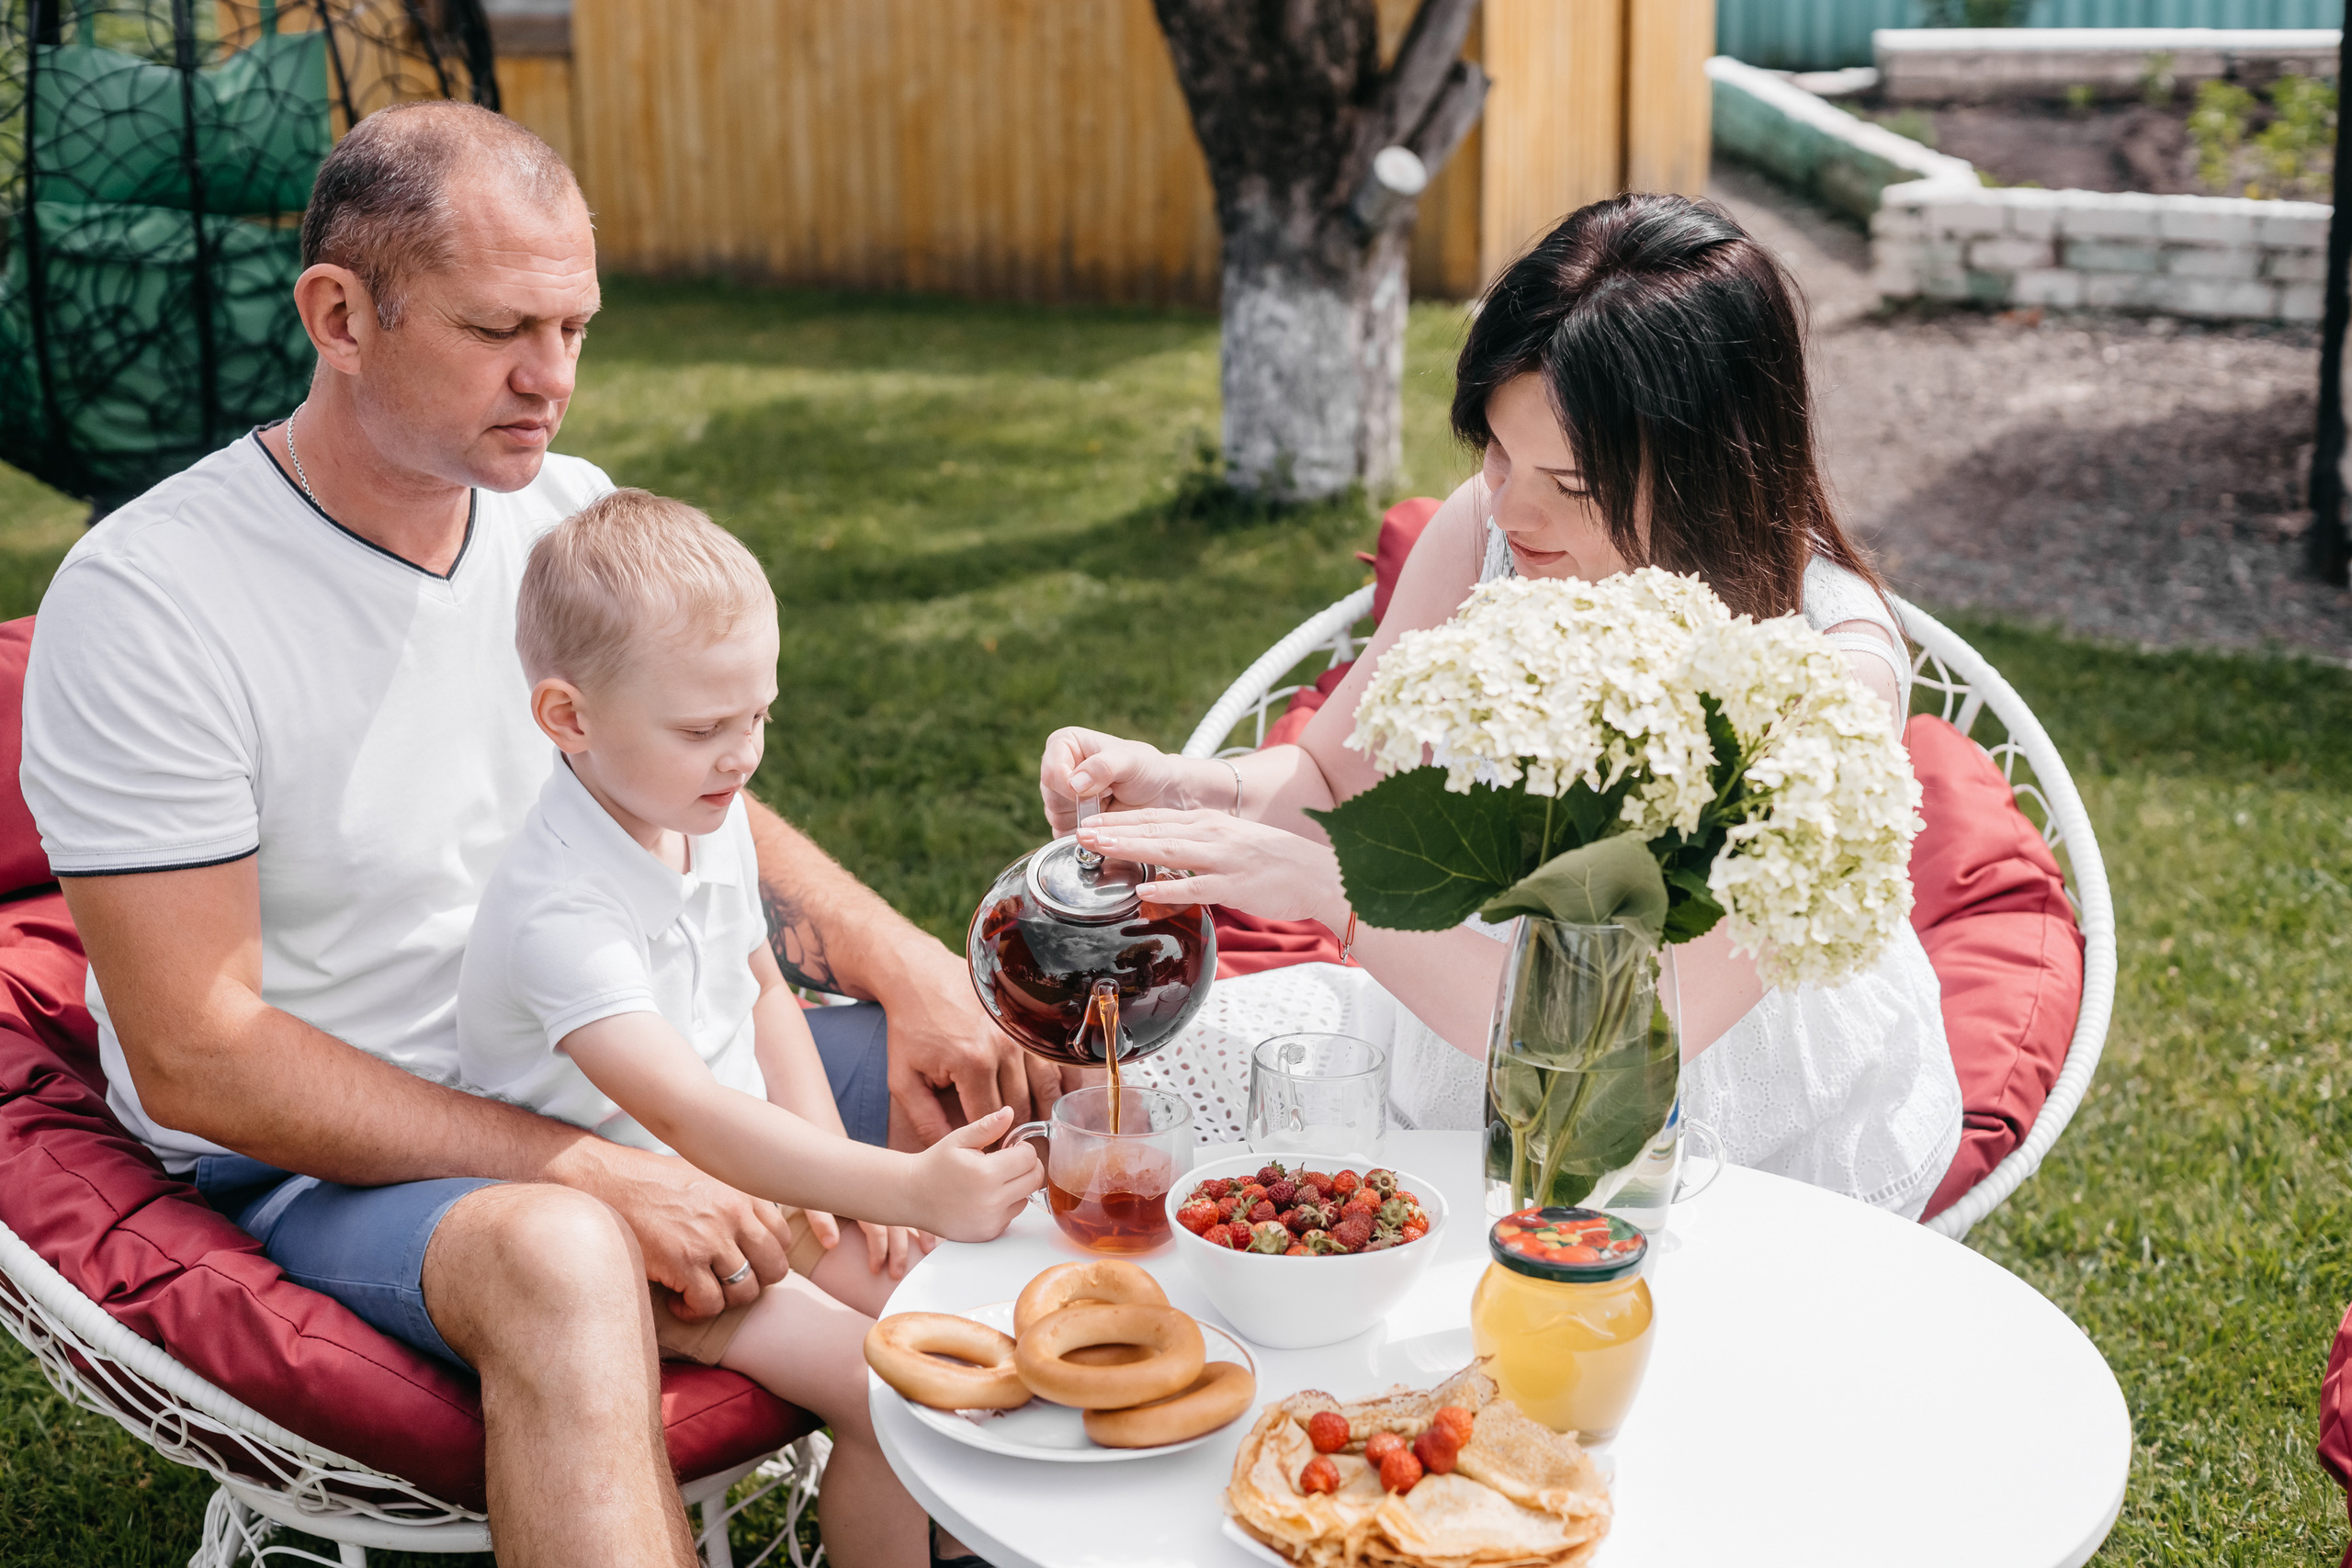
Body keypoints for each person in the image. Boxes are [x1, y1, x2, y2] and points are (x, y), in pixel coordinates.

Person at [19, 102, 1038, 1566]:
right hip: (338, 1158)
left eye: (577, 327)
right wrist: (586, 1167)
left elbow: (694, 796)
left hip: (618, 1042)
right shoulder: (156, 600)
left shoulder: (560, 513)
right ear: (340, 314)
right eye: (503, 329)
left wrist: (900, 965)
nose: (551, 380)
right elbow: (201, 1051)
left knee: (1037, 1087)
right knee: (563, 1251)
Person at [1037, 194, 1964, 1221]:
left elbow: (1611, 1056)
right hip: (1458, 1016)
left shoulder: (1823, 679)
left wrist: (1335, 899)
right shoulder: (1487, 530)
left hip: (1715, 1125)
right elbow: (1336, 778)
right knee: (1105, 1098)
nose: (1512, 510)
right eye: (1495, 451)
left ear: (1710, 470)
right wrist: (1182, 786)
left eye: (1568, 483)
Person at [458, 490, 1040, 1567]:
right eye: (703, 729)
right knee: (894, 1393)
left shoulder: (695, 814)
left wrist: (841, 1177)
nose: (743, 756)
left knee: (985, 1342)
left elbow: (766, 990)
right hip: (647, 1243)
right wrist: (902, 1189)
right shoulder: (560, 913)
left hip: (753, 1195)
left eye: (758, 715)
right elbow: (687, 1111)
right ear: (567, 718)